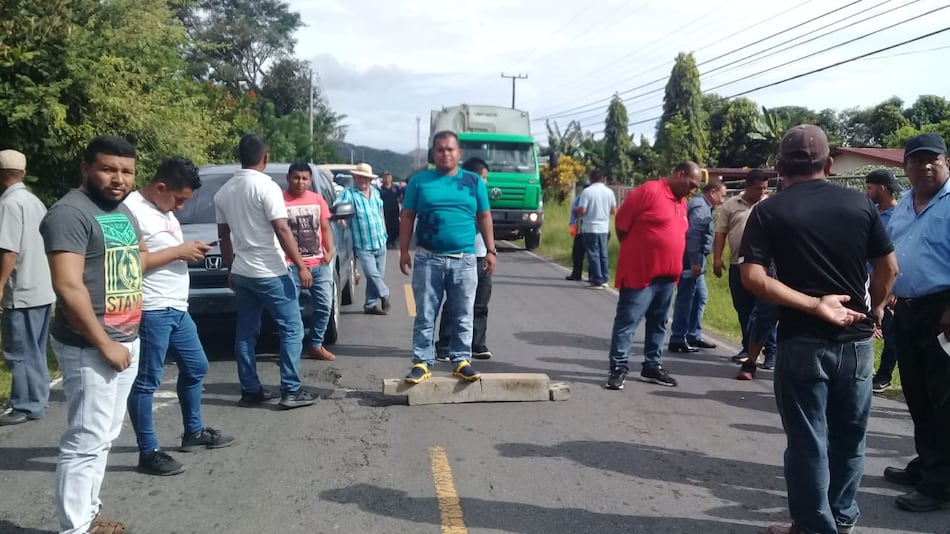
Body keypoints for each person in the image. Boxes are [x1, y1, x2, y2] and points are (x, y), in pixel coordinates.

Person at [739, 124, 897, 534]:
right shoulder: (862, 205)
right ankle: (841, 520)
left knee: (808, 442)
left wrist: (813, 304)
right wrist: (876, 308)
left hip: (802, 341)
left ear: (778, 167)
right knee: (850, 438)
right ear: (829, 164)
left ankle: (813, 527)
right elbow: (889, 267)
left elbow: (753, 277)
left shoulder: (768, 211)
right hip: (857, 342)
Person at [40, 135, 148, 534]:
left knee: (104, 436)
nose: (118, 178)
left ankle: (87, 514)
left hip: (125, 338)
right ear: (86, 169)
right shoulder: (69, 213)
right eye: (107, 169)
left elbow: (134, 261)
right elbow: (67, 286)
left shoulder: (122, 212)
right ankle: (75, 528)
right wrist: (104, 343)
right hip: (91, 345)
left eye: (126, 171)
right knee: (85, 439)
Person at [124, 157, 235, 477]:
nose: (182, 207)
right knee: (146, 381)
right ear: (160, 187)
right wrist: (178, 252)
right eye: (179, 199)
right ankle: (148, 451)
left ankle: (193, 431)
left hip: (177, 306)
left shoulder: (164, 210)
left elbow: (162, 249)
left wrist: (186, 247)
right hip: (151, 308)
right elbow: (133, 263)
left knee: (197, 365)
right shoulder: (131, 211)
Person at [214, 134, 316, 410]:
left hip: (243, 271)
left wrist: (230, 268)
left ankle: (250, 389)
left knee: (246, 332)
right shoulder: (266, 187)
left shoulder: (223, 192)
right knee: (292, 328)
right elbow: (282, 229)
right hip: (270, 270)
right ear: (266, 158)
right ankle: (291, 390)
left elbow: (223, 236)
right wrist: (302, 265)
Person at [883, 133, 950, 513]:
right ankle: (927, 464)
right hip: (906, 309)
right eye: (917, 160)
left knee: (944, 398)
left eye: (933, 160)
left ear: (946, 162)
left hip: (943, 312)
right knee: (917, 393)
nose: (925, 166)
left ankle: (940, 485)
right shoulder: (905, 203)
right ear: (904, 166)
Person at [399, 131, 495, 384]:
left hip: (464, 259)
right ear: (434, 153)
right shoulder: (420, 181)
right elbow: (407, 216)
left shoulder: (474, 182)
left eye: (450, 149)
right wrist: (403, 251)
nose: (445, 153)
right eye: (440, 149)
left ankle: (461, 360)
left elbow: (484, 216)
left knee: (463, 312)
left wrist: (491, 250)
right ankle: (422, 361)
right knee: (425, 313)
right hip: (429, 258)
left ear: (459, 153)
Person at [604, 162, 703, 390]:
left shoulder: (682, 203)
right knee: (628, 322)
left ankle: (652, 365)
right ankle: (618, 367)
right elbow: (621, 225)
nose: (693, 190)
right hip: (641, 274)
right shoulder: (649, 191)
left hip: (667, 277)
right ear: (679, 174)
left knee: (659, 323)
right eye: (691, 184)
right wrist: (637, 250)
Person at [0, 150, 55, 426]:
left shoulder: (9, 204)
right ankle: (38, 397)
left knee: (19, 349)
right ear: (22, 172)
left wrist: (0, 285)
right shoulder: (34, 202)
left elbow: (9, 249)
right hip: (42, 286)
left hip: (21, 290)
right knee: (35, 348)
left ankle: (24, 404)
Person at [436, 157, 494, 361]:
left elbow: (487, 222)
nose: (485, 182)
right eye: (483, 178)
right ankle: (445, 344)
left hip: (481, 255)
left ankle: (477, 343)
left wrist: (491, 251)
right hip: (461, 256)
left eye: (486, 178)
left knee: (480, 302)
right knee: (455, 302)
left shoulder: (481, 196)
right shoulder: (458, 195)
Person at [713, 169, 773, 363]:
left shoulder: (770, 205)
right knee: (743, 308)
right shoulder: (731, 205)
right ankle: (748, 348)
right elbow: (720, 233)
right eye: (757, 189)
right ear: (747, 186)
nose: (761, 192)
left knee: (766, 309)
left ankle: (771, 351)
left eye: (764, 188)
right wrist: (717, 258)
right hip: (737, 264)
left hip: (764, 267)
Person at [283, 162, 336, 362]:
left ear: (310, 180)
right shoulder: (280, 200)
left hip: (318, 263)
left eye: (305, 178)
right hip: (290, 265)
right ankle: (292, 349)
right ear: (289, 178)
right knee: (291, 312)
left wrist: (329, 251)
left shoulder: (317, 200)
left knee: (324, 305)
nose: (300, 182)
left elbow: (324, 228)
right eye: (296, 178)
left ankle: (316, 344)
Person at [668, 178, 727, 353]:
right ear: (713, 192)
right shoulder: (701, 208)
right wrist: (694, 262)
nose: (722, 200)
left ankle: (693, 334)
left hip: (693, 258)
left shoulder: (700, 204)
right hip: (692, 259)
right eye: (722, 196)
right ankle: (678, 338)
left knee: (700, 296)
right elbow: (694, 235)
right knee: (686, 297)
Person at [864, 169, 901, 393]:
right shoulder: (871, 213)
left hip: (888, 280)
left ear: (882, 188)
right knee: (865, 325)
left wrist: (893, 289)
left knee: (891, 331)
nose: (866, 192)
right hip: (866, 279)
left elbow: (900, 254)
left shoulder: (898, 216)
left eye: (869, 188)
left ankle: (885, 375)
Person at [339, 163, 390, 315]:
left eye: (366, 178)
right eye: (360, 177)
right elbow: (339, 206)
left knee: (378, 274)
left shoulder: (374, 192)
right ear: (354, 178)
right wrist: (342, 219)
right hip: (363, 243)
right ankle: (385, 294)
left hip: (380, 240)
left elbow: (380, 208)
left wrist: (384, 228)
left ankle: (370, 304)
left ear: (370, 180)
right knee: (372, 274)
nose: (363, 180)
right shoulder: (350, 194)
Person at [574, 170, 617, 289]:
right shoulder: (609, 192)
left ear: (591, 179)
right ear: (603, 179)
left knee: (593, 254)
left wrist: (575, 210)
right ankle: (604, 278)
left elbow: (582, 210)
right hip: (604, 227)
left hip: (590, 227)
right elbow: (614, 211)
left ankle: (597, 279)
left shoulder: (587, 192)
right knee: (603, 254)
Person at [565, 181, 590, 281]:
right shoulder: (579, 199)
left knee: (591, 255)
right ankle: (576, 274)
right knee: (577, 253)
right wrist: (572, 227)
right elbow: (573, 214)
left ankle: (592, 276)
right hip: (580, 229)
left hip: (590, 229)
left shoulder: (592, 198)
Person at [379, 171, 402, 249]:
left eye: (388, 177)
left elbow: (400, 197)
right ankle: (388, 241)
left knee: (396, 226)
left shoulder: (395, 187)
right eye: (385, 177)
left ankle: (394, 239)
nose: (387, 179)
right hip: (385, 211)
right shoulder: (380, 189)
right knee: (387, 226)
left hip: (395, 210)